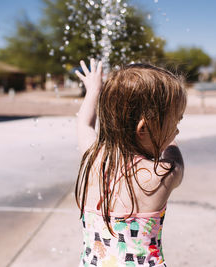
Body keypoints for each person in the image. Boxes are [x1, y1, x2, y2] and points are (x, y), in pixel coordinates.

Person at [75, 58, 187, 267]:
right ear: (143, 128)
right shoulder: (163, 174)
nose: (177, 130)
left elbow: (84, 122)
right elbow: (177, 164)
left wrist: (93, 90)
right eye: (175, 121)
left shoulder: (92, 158)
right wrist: (169, 140)